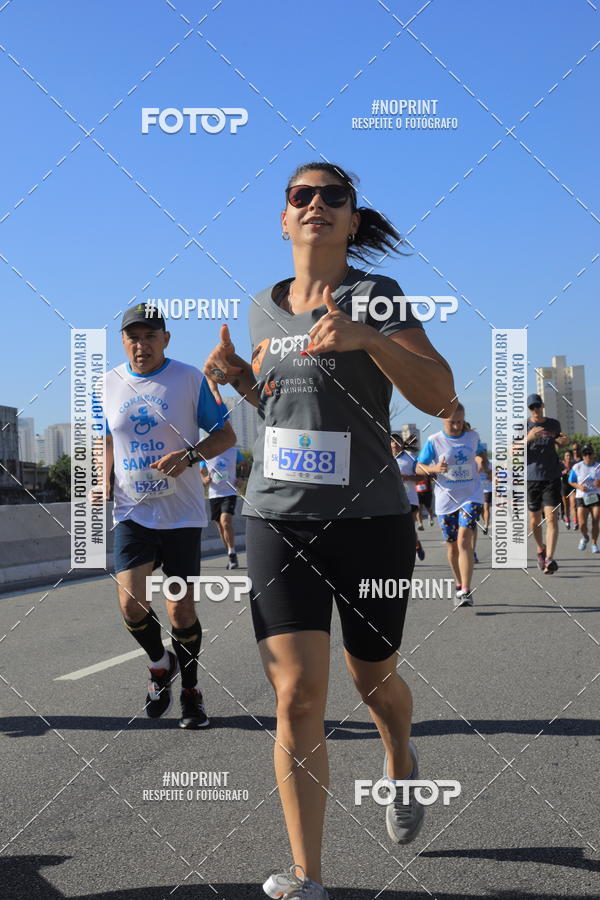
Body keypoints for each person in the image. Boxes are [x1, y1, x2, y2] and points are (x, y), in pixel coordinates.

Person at [203, 162, 457, 900]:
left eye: (332, 197)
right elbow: (282, 416)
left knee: (372, 680)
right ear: (283, 220)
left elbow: (440, 393)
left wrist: (365, 339)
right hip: (277, 516)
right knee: (297, 696)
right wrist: (241, 384)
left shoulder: (375, 298)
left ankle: (401, 758)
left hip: (369, 517)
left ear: (352, 219)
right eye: (300, 196)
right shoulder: (261, 309)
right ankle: (309, 876)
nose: (316, 205)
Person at [101, 304, 235, 728]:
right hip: (132, 512)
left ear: (166, 339)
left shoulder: (189, 378)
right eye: (133, 337)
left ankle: (192, 693)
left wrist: (190, 455)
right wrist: (102, 478)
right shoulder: (106, 384)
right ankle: (161, 664)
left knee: (179, 611)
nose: (141, 345)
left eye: (150, 336)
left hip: (181, 515)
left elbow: (226, 435)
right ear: (123, 341)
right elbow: (104, 438)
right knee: (130, 605)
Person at [417, 403, 487, 606]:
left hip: (471, 495)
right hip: (446, 500)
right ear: (442, 420)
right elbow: (419, 467)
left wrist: (481, 460)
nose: (456, 426)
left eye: (460, 422)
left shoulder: (472, 437)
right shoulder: (434, 441)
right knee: (452, 548)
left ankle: (466, 589)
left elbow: (481, 453)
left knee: (464, 539)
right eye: (452, 423)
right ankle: (458, 583)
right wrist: (434, 467)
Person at [526, 393, 569, 574]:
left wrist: (565, 441)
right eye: (532, 407)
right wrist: (529, 438)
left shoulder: (553, 424)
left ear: (542, 405)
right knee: (534, 522)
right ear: (529, 409)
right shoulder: (523, 426)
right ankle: (541, 548)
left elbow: (559, 441)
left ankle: (550, 559)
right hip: (531, 478)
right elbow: (512, 451)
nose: (535, 410)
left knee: (551, 518)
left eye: (538, 406)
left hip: (551, 476)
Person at [199, 446, 245, 568]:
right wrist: (205, 479)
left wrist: (241, 478)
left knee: (225, 522)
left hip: (229, 493)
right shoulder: (206, 452)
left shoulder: (233, 451)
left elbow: (243, 464)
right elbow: (201, 472)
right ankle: (230, 552)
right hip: (214, 495)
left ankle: (232, 554)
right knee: (220, 527)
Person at [391, 433, 425, 560]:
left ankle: (415, 547)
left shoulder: (411, 458)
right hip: (392, 500)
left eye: (397, 441)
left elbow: (422, 476)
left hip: (410, 499)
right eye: (392, 441)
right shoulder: (385, 458)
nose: (395, 444)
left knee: (409, 528)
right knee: (397, 530)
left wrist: (407, 477)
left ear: (401, 444)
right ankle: (412, 547)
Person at [568, 445, 600, 553]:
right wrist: (579, 487)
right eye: (585, 454)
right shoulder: (577, 467)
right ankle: (585, 537)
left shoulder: (598, 466)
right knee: (582, 523)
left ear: (593, 454)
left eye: (589, 453)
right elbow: (571, 481)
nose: (588, 456)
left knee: (595, 520)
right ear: (582, 456)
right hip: (582, 497)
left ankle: (594, 543)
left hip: (595, 495)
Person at [560, 449, 574, 530]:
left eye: (569, 455)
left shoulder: (574, 465)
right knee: (566, 505)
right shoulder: (561, 464)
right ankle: (567, 520)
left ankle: (575, 521)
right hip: (564, 486)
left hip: (572, 486)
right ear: (564, 457)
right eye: (567, 456)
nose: (568, 457)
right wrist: (563, 472)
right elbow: (556, 473)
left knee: (573, 504)